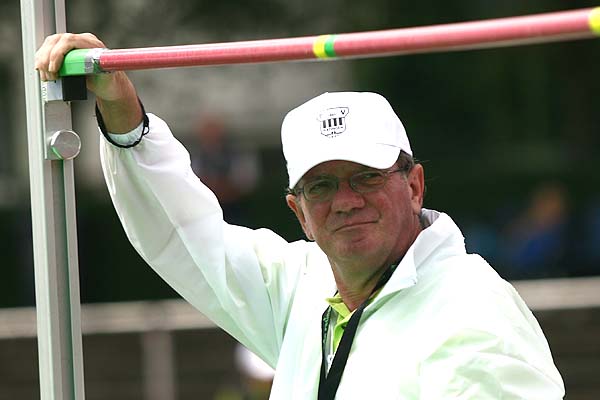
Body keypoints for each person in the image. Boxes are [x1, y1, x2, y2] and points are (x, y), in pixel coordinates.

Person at [36, 33, 565, 399]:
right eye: (322, 186)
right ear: (300, 213)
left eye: (366, 177)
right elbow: (188, 234)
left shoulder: (474, 312)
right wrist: (121, 109)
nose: (346, 200)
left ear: (414, 186)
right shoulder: (305, 287)